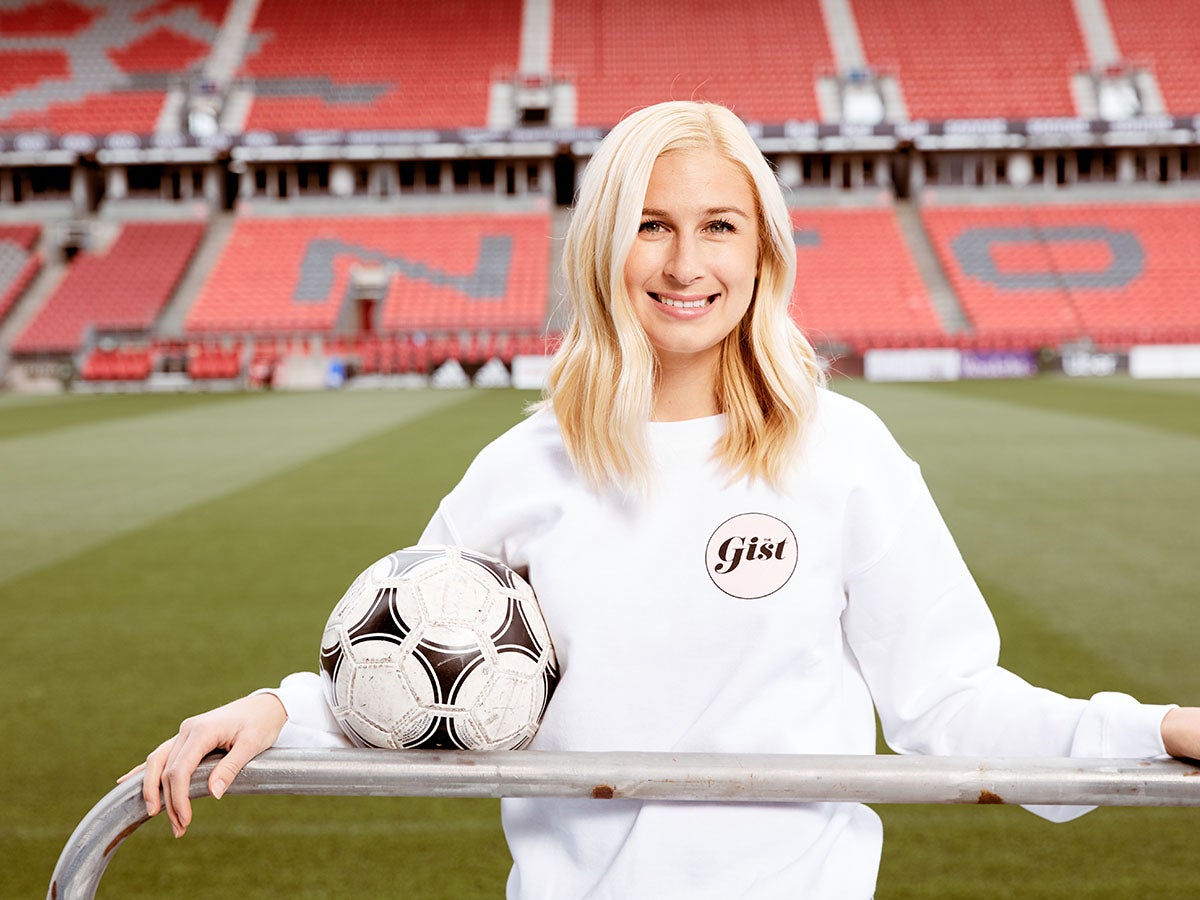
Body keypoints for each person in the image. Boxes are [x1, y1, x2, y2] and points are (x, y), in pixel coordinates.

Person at [122, 101, 1200, 899]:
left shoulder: (842, 452)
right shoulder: (522, 468)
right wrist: (275, 710)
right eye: (651, 224)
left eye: (720, 226)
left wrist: (1152, 731)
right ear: (604, 243)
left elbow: (950, 702)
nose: (686, 263)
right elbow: (410, 685)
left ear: (763, 250)